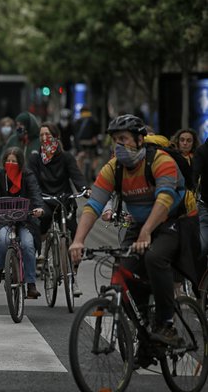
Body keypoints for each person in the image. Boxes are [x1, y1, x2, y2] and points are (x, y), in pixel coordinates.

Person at [70, 114, 197, 347]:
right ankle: (147, 340)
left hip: (172, 221)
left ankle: (166, 323)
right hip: (139, 225)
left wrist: (147, 231)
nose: (118, 145)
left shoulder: (160, 161)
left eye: (123, 138)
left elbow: (165, 198)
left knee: (154, 257)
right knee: (123, 278)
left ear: (140, 139)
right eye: (115, 140)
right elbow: (94, 204)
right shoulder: (114, 168)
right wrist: (78, 241)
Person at [28, 122, 88, 295]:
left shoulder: (66, 157)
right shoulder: (35, 158)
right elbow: (31, 180)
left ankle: (73, 276)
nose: (45, 138)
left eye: (48, 135)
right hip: (44, 199)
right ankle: (41, 253)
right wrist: (34, 197)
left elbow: (76, 176)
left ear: (56, 137)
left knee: (76, 239)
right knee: (42, 221)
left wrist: (85, 189)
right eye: (41, 136)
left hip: (64, 200)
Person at [0, 147, 45, 298]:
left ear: (21, 163)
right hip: (3, 218)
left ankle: (31, 283)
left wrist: (39, 208)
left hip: (26, 219)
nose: (10, 164)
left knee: (28, 245)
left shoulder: (27, 175)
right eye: (8, 161)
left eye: (14, 162)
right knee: (3, 240)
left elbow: (36, 193)